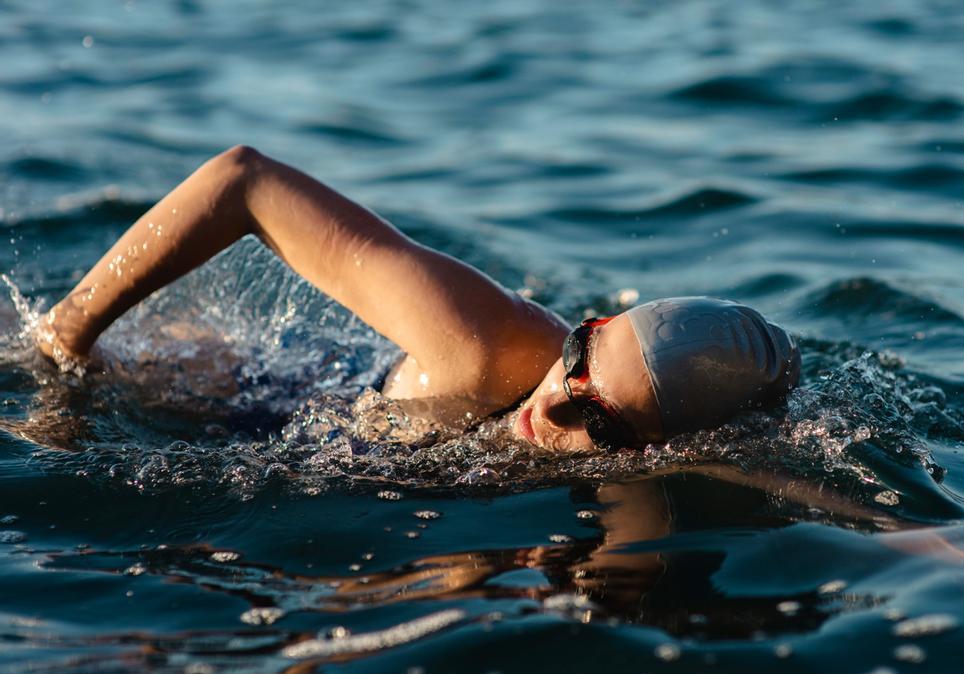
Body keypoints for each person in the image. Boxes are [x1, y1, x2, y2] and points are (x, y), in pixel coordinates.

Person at [35, 146, 800, 451]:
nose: (554, 409)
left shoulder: (667, 455)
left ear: (654, 450)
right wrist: (67, 339)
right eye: (577, 357)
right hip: (233, 389)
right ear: (587, 326)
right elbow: (244, 181)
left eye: (598, 420)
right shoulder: (487, 344)